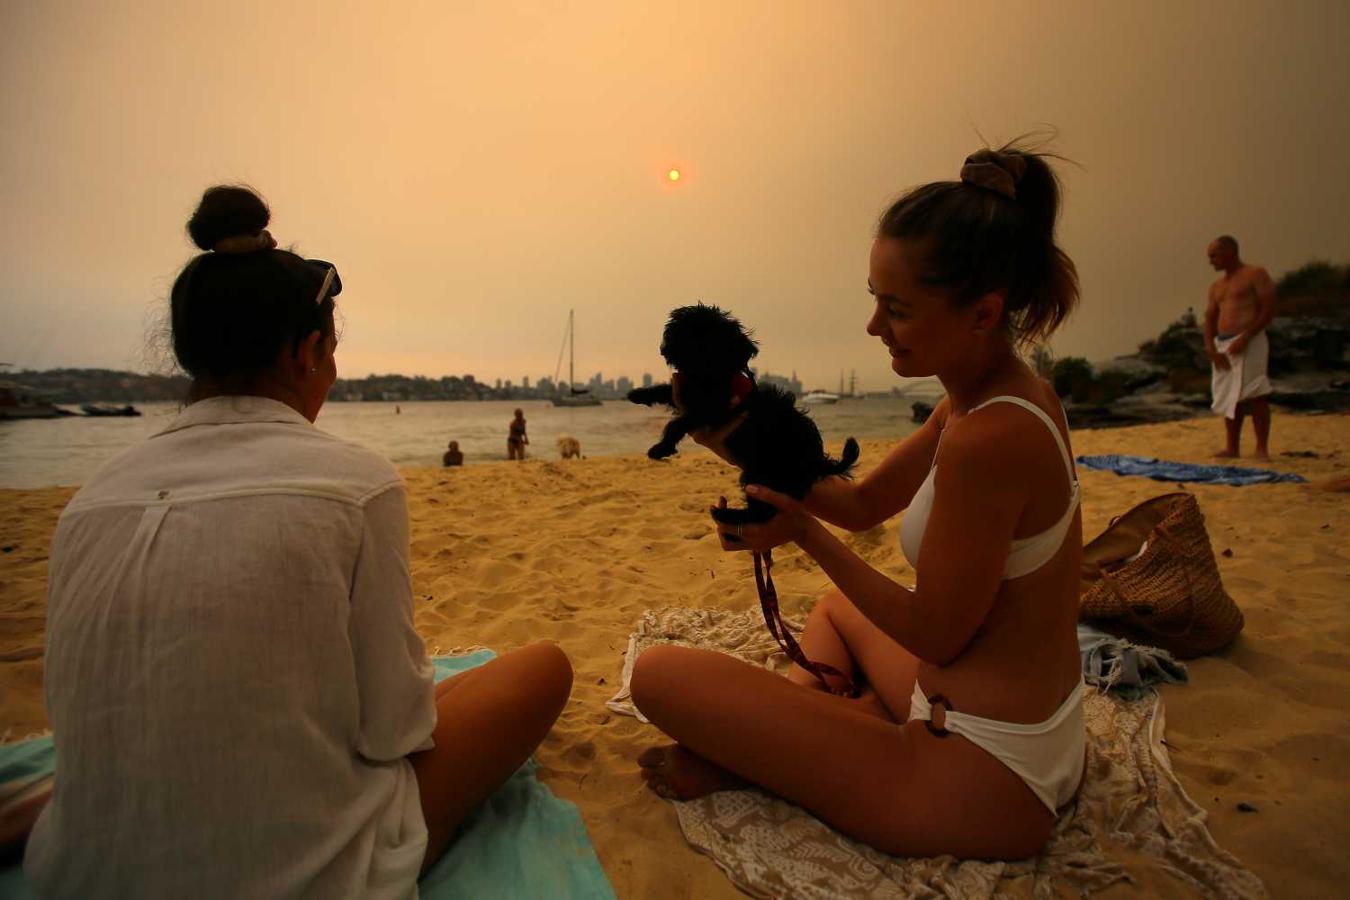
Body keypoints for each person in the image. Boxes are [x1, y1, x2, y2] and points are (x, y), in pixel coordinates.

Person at [20, 186, 573, 898]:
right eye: (333, 354)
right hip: (298, 876)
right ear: (309, 352)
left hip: (76, 871)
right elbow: (396, 733)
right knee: (543, 669)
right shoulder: (357, 484)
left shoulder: (91, 498)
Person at [631, 145, 1085, 861]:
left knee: (656, 676)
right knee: (837, 613)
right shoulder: (986, 400)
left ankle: (783, 746)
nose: (875, 326)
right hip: (1023, 722)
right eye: (874, 299)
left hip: (983, 771)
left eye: (896, 308)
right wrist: (739, 443)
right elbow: (864, 501)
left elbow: (936, 636)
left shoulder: (988, 438)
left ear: (983, 312)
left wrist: (800, 535)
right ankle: (827, 727)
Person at [1204, 235, 1277, 460]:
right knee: (1228, 396)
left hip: (1250, 339)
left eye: (1214, 255)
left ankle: (1261, 448)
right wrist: (1211, 349)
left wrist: (1247, 336)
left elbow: (1269, 308)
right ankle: (1232, 447)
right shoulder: (1216, 286)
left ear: (1230, 253)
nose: (1210, 261)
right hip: (1223, 343)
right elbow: (1209, 318)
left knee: (1255, 392)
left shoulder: (1255, 274)